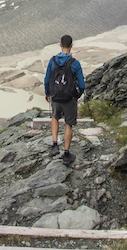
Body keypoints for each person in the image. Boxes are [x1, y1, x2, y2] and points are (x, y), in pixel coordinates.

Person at [44, 34, 86, 165]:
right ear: (72, 46)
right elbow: (82, 85)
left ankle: (55, 144)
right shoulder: (75, 63)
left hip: (56, 97)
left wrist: (47, 93)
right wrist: (76, 96)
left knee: (54, 117)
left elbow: (47, 80)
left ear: (60, 45)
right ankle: (66, 154)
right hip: (69, 99)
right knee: (69, 124)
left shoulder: (53, 60)